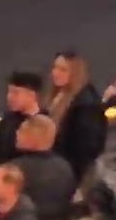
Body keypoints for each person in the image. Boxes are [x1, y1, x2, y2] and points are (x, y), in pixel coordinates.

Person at [46, 50, 107, 182]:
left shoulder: (87, 106)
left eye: (63, 69)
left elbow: (86, 149)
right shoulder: (57, 95)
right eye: (55, 67)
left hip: (67, 173)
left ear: (75, 73)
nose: (56, 73)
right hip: (53, 166)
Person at [7, 114, 77, 220]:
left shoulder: (14, 169)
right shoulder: (65, 169)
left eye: (22, 130)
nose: (16, 133)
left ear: (33, 137)